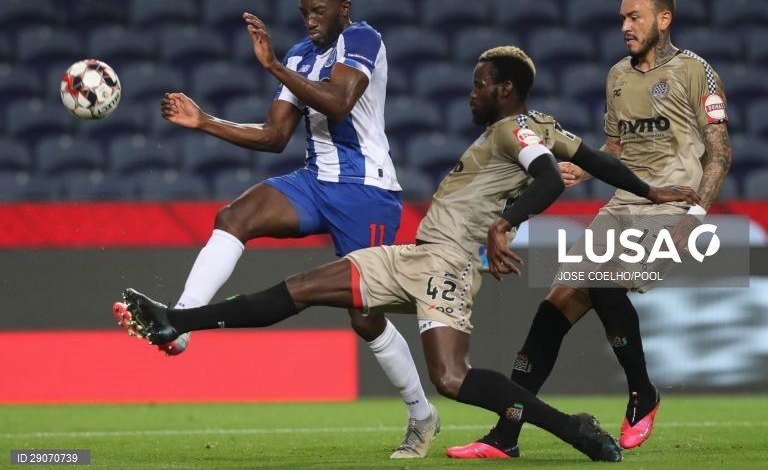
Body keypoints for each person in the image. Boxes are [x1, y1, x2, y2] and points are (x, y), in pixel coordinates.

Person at [114, 45, 701, 462]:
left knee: (451, 377)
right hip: (412, 256)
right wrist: (650, 191)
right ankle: (177, 321)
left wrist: (505, 223)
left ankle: (572, 429)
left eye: (480, 84)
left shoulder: (514, 130)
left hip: (448, 264)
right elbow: (593, 161)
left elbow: (548, 177)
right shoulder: (539, 126)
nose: (471, 93)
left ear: (504, 90)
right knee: (300, 290)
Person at [151, 0, 436, 459]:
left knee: (364, 317)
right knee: (235, 216)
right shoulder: (301, 56)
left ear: (343, 10)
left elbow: (340, 103)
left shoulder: (362, 39)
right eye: (304, 12)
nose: (309, 21)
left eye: (318, 11)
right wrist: (204, 121)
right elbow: (274, 136)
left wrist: (274, 67)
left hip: (366, 192)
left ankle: (422, 414)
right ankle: (181, 320)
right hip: (314, 182)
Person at [446, 0, 732, 459]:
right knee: (552, 310)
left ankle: (642, 391)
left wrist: (695, 217)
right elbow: (616, 148)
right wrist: (577, 170)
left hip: (670, 207)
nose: (625, 26)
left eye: (635, 17)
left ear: (664, 19)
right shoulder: (617, 75)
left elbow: (720, 152)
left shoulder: (695, 72)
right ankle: (505, 436)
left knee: (603, 281)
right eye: (622, 18)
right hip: (620, 206)